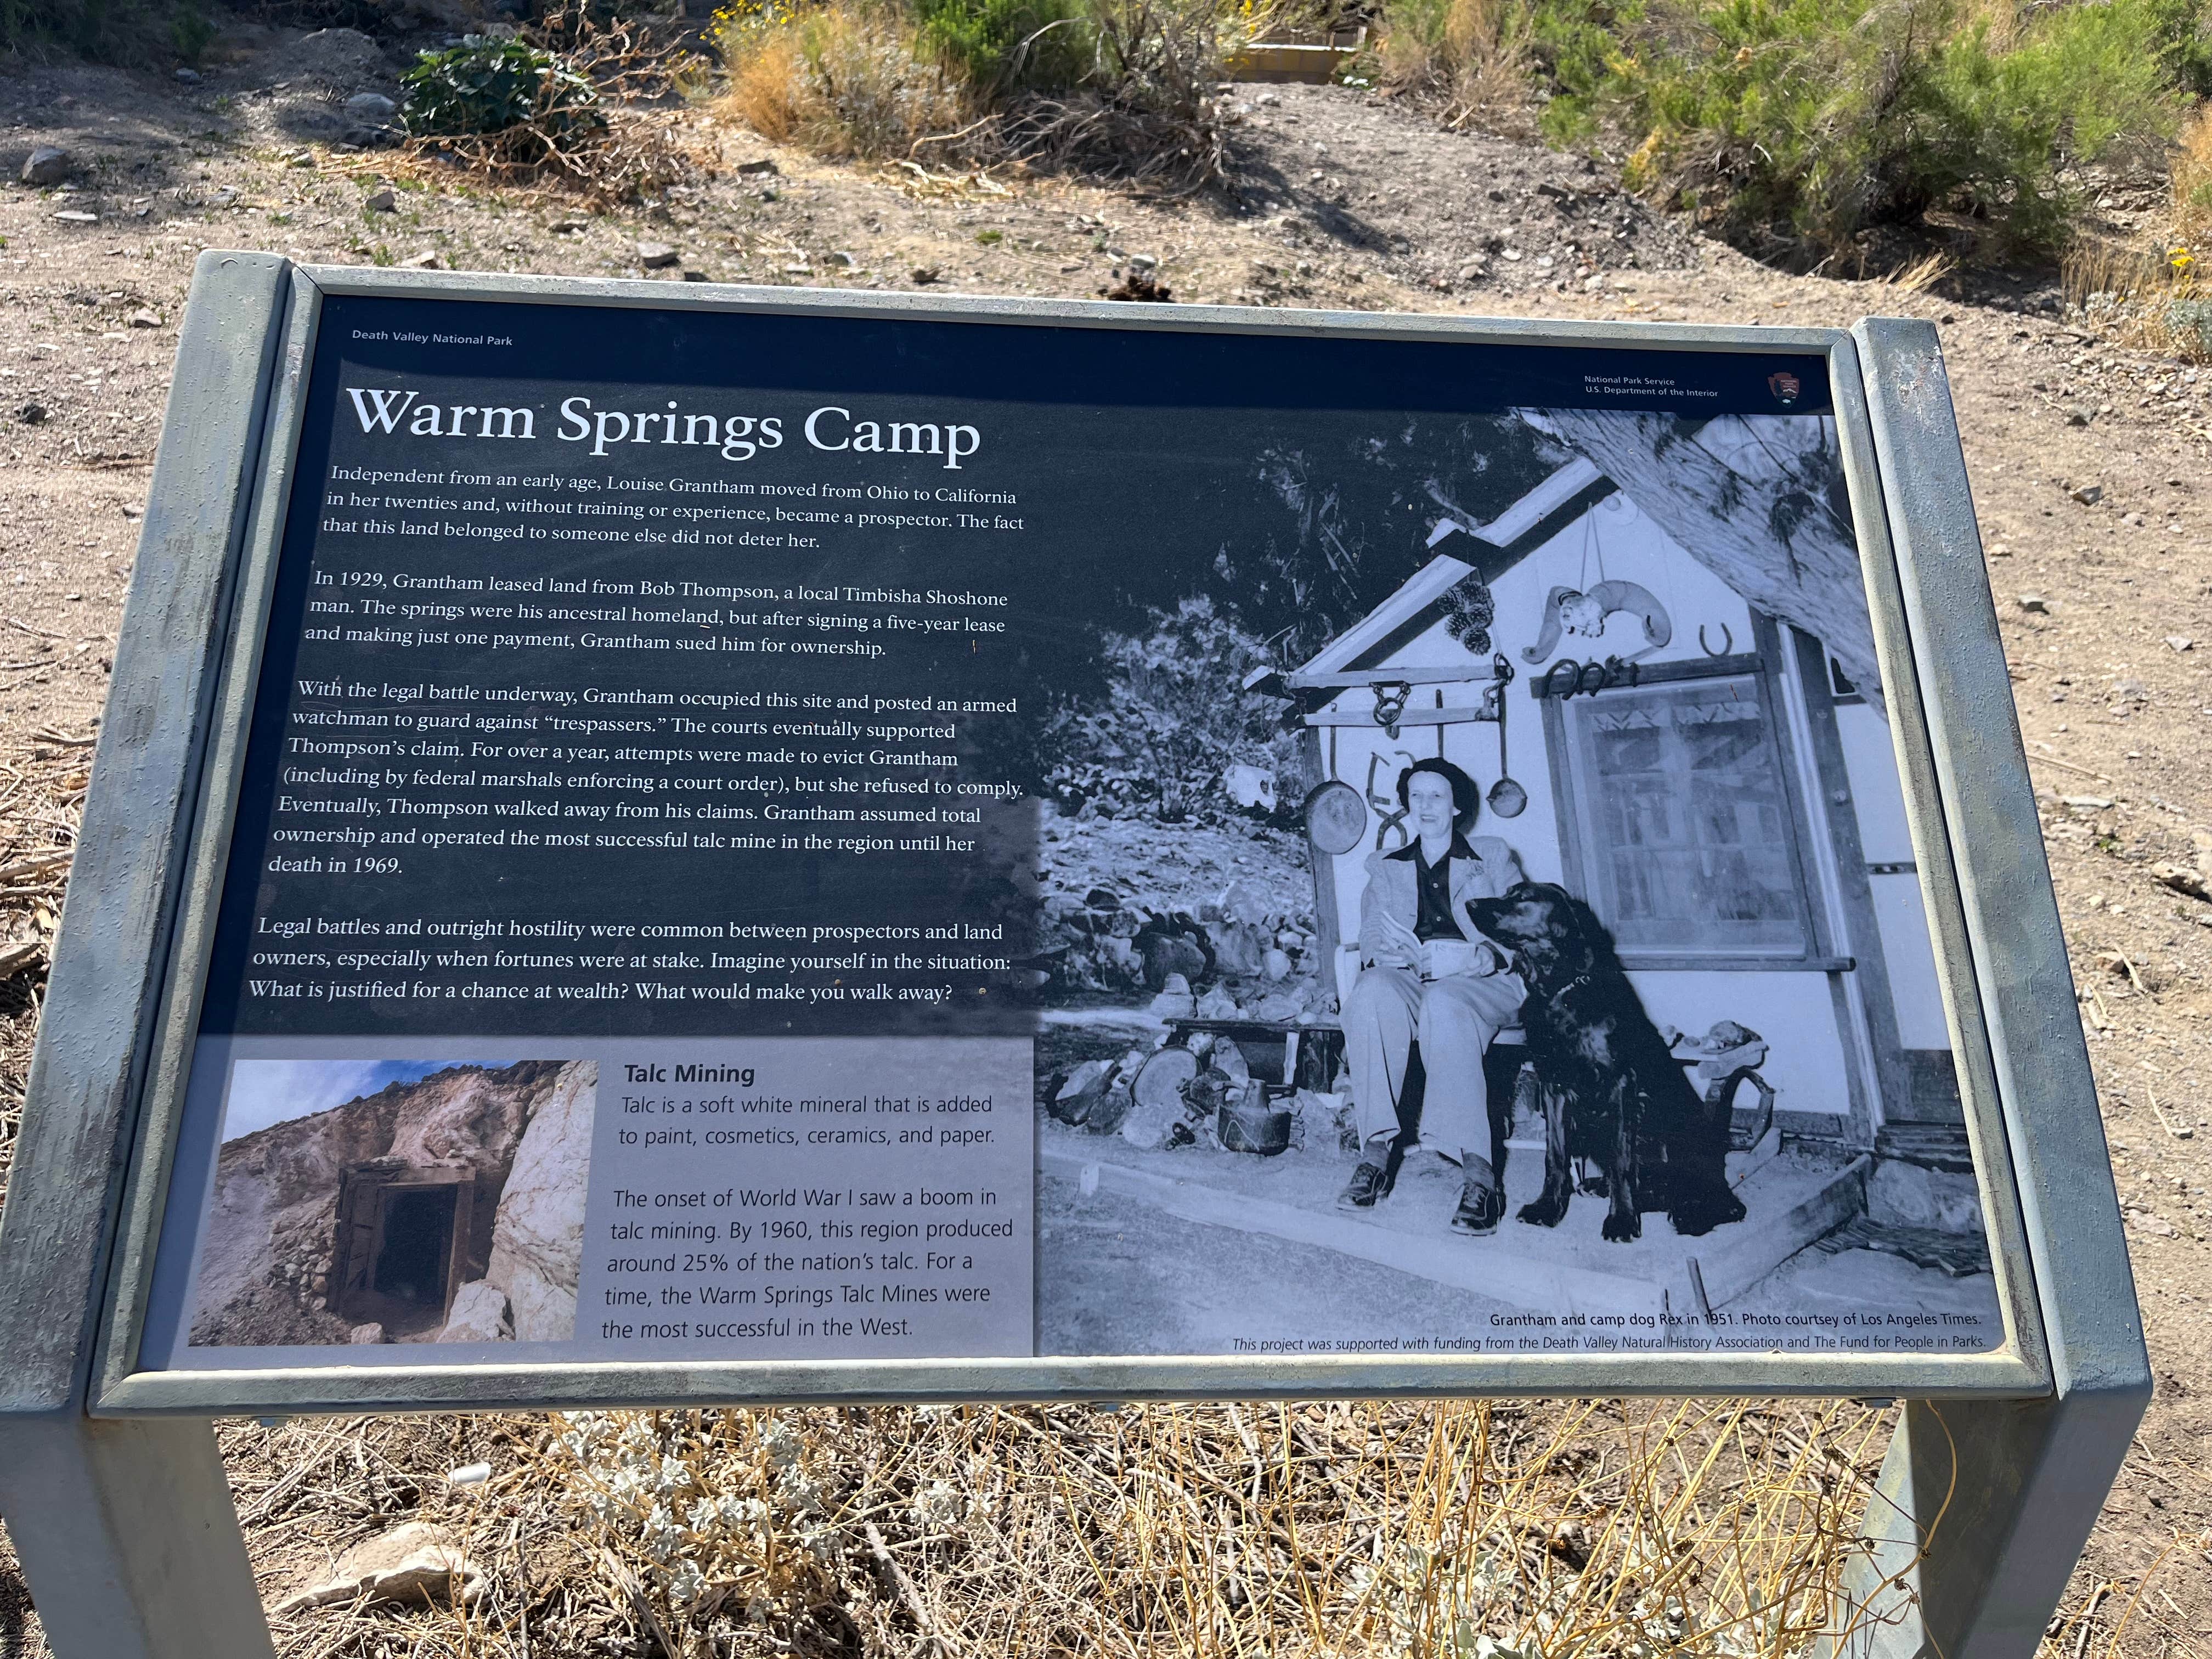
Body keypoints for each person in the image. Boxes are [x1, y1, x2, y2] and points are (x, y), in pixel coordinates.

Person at [1337, 757, 1526, 1233]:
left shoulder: (1493, 856)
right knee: (1372, 992)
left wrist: (1480, 956)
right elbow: (1372, 937)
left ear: (1457, 806)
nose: (1425, 805)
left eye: (1436, 795)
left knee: (1445, 1003)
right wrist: (1391, 956)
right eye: (1416, 796)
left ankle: (1480, 1175)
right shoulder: (1386, 867)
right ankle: (1376, 1153)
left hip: (1481, 983)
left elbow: (1526, 930)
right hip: (1413, 977)